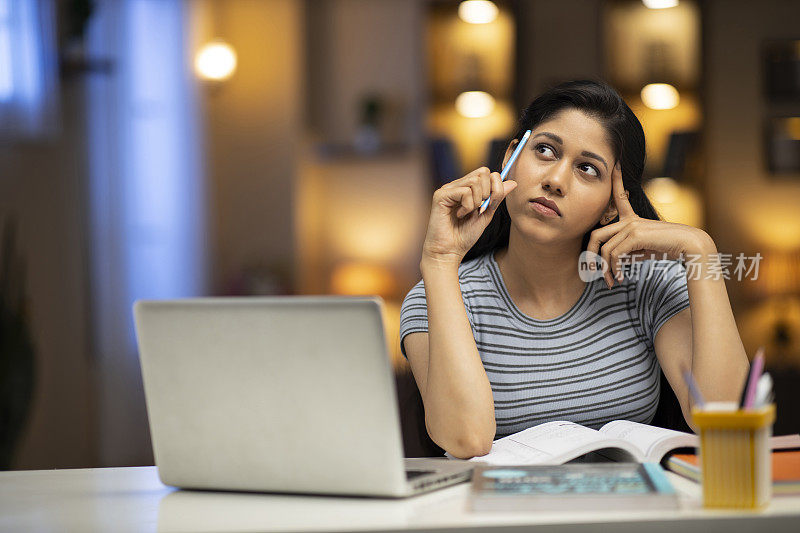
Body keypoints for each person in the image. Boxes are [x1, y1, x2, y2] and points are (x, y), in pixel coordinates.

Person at [399, 80, 750, 460]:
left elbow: (727, 419)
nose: (555, 180)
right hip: (503, 517)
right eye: (545, 150)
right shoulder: (440, 294)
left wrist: (701, 248)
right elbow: (465, 439)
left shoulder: (648, 285)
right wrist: (438, 260)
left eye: (587, 169)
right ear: (510, 158)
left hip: (632, 514)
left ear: (611, 207)